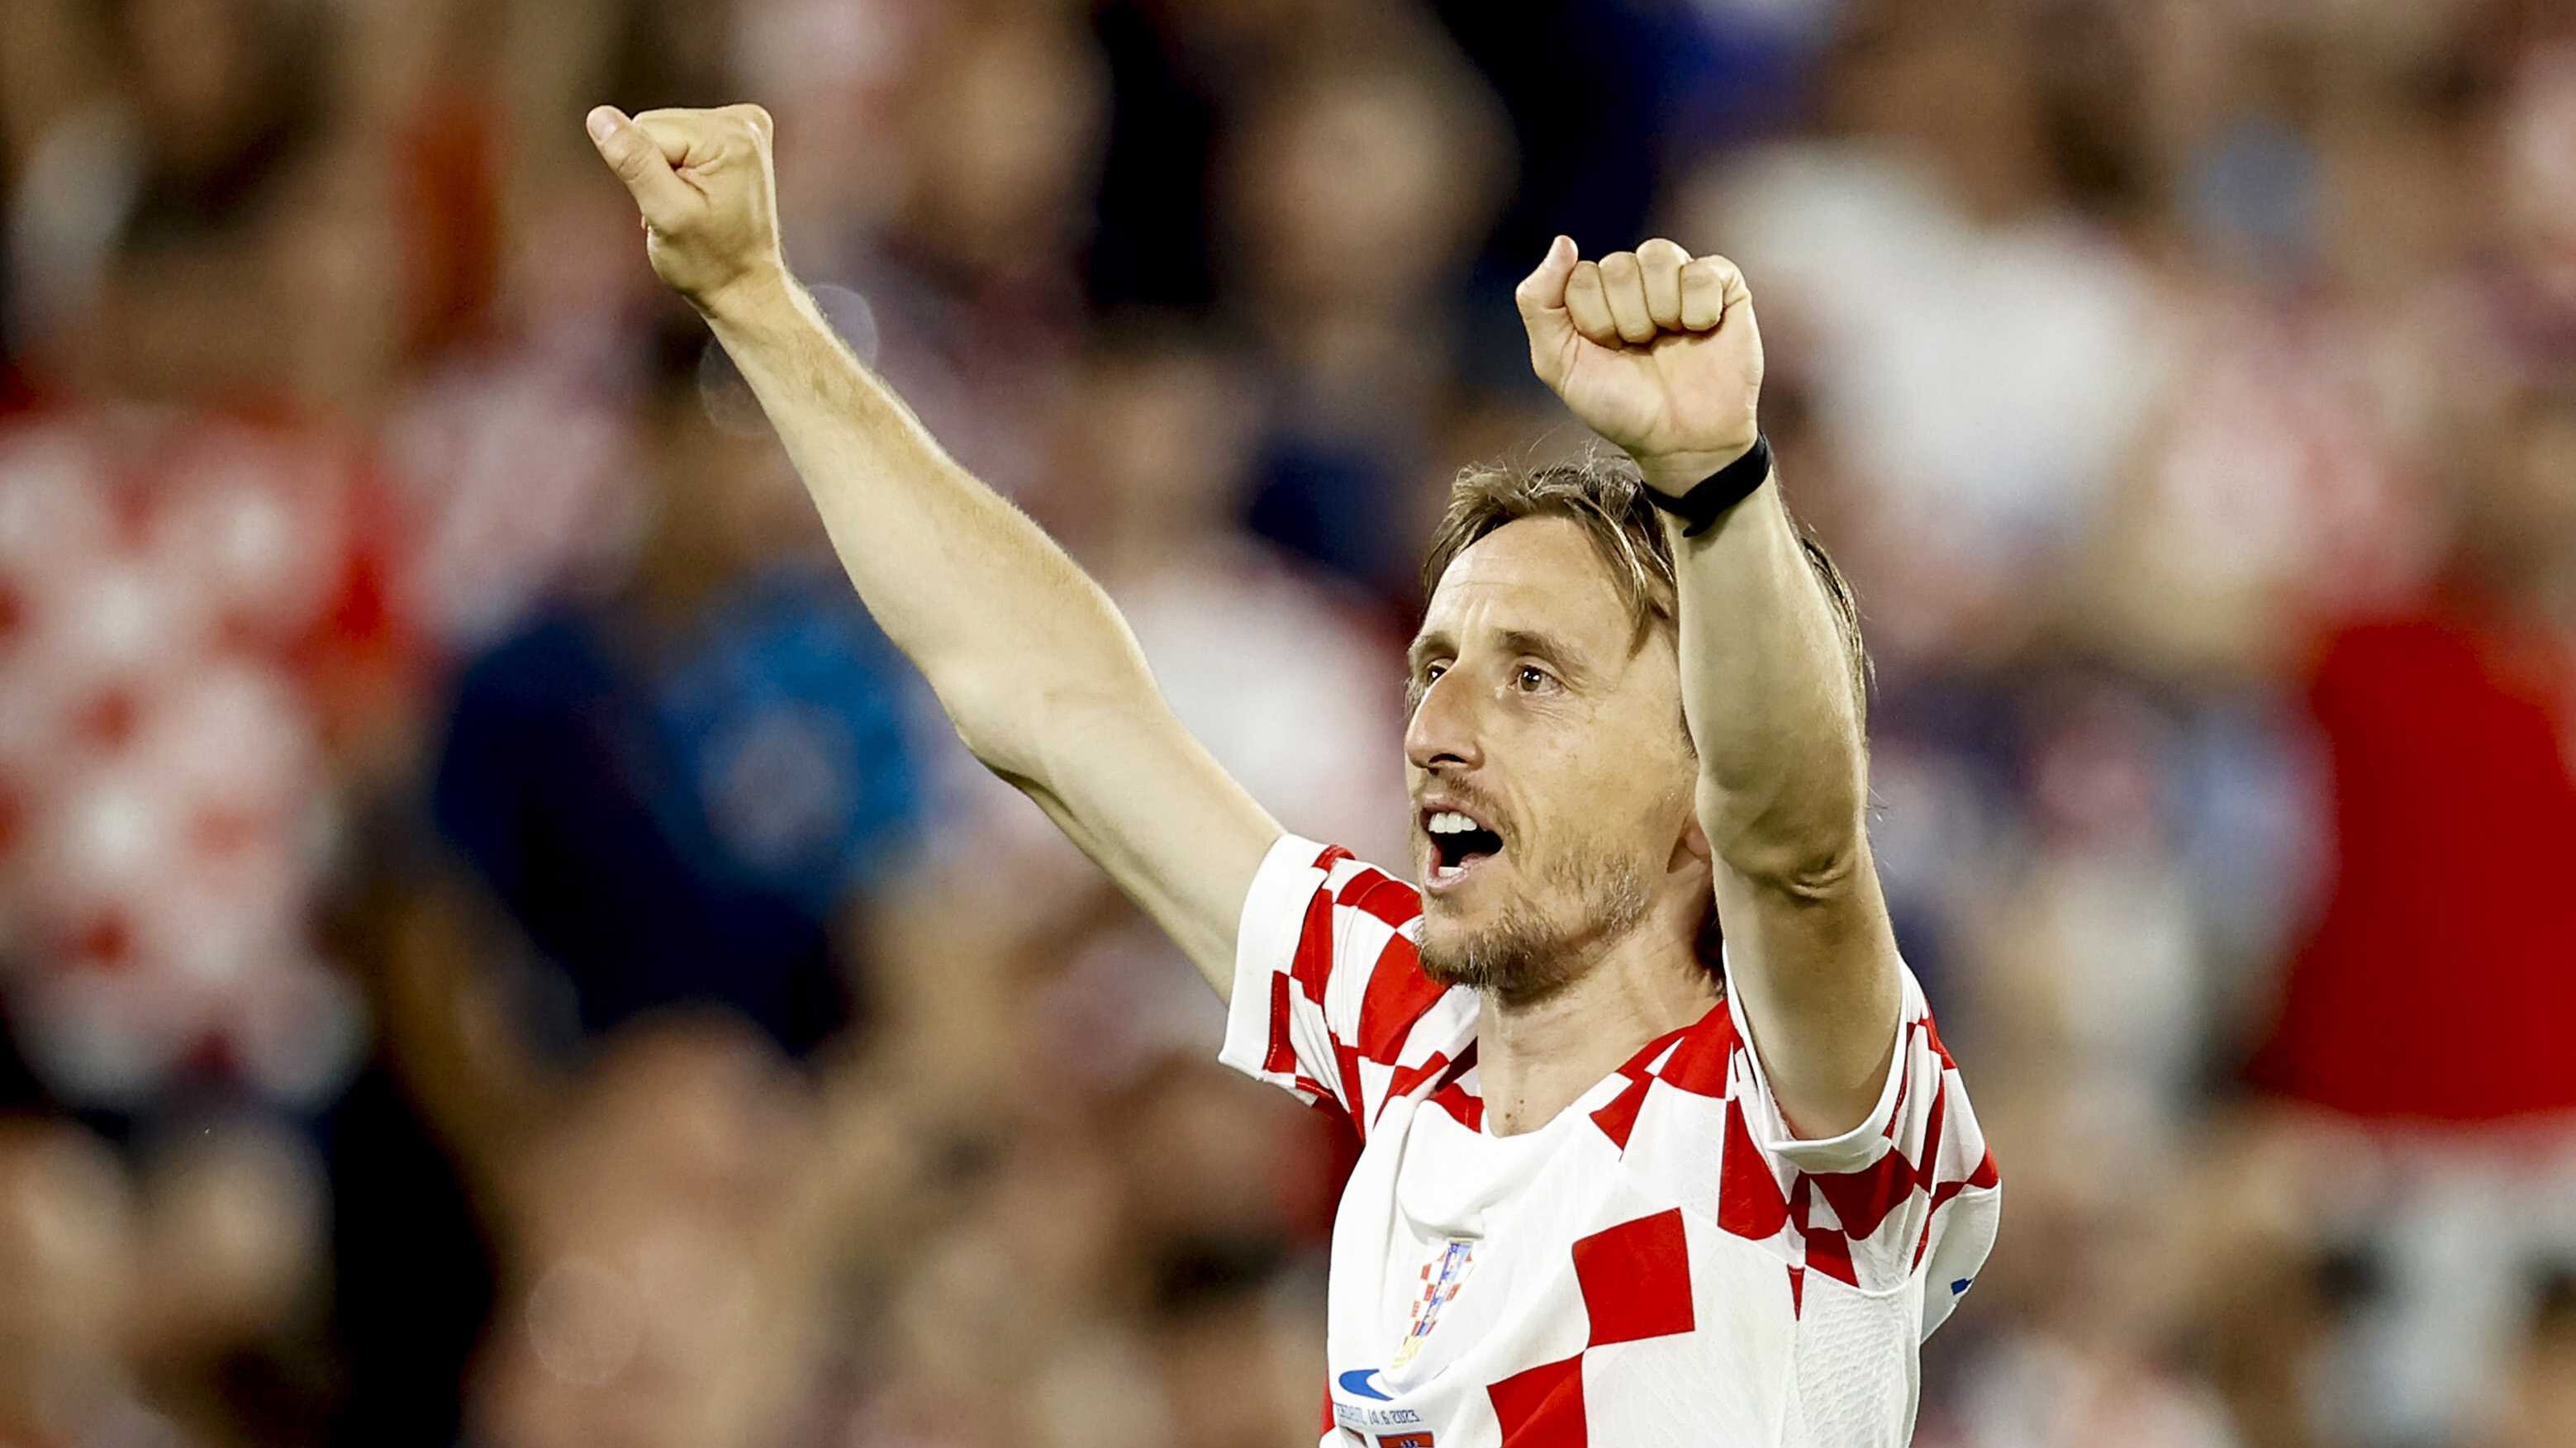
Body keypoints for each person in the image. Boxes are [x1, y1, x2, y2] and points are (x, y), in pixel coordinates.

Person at [583, 100, 1999, 1446]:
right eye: (1432, 664)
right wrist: (761, 306)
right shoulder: (1409, 1041)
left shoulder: (1794, 1110)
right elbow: (1055, 701)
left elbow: (1798, 844)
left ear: (1697, 779)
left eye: (1532, 676)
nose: (1440, 721)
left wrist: (1712, 478)